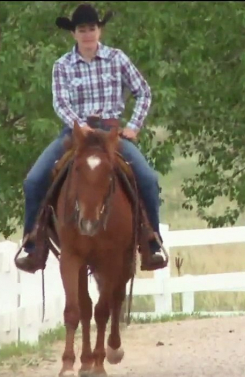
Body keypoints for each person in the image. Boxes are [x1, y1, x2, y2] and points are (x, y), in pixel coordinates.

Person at [14, 3, 167, 273]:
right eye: (82, 29)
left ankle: (151, 242)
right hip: (75, 135)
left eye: (92, 28)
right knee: (34, 180)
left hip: (111, 135)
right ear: (73, 33)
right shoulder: (62, 65)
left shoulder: (117, 59)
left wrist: (133, 126)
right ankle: (33, 245)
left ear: (100, 30)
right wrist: (79, 126)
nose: (87, 34)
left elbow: (143, 91)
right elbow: (60, 102)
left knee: (148, 179)